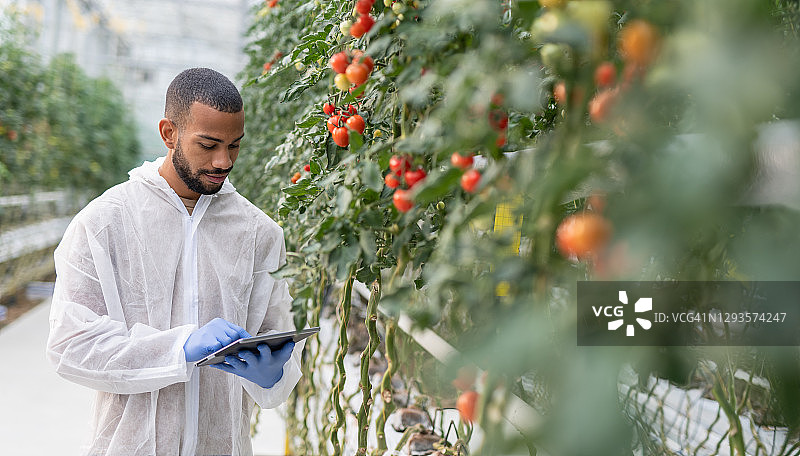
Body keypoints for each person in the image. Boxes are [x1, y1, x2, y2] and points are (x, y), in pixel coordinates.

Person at [46, 67, 303, 456]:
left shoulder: (258, 232)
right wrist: (179, 346)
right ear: (169, 133)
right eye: (209, 144)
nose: (223, 161)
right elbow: (71, 344)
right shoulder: (105, 223)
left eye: (234, 145)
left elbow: (276, 339)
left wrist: (273, 374)